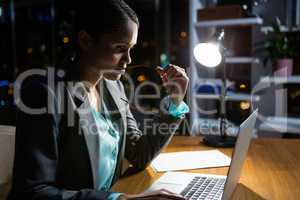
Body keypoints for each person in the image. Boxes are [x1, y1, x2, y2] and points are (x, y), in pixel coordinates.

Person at [7, 0, 189, 199]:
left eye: (131, 48)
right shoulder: (45, 94)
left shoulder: (114, 86)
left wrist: (175, 100)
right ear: (86, 41)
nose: (128, 59)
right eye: (120, 47)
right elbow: (32, 193)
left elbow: (139, 154)